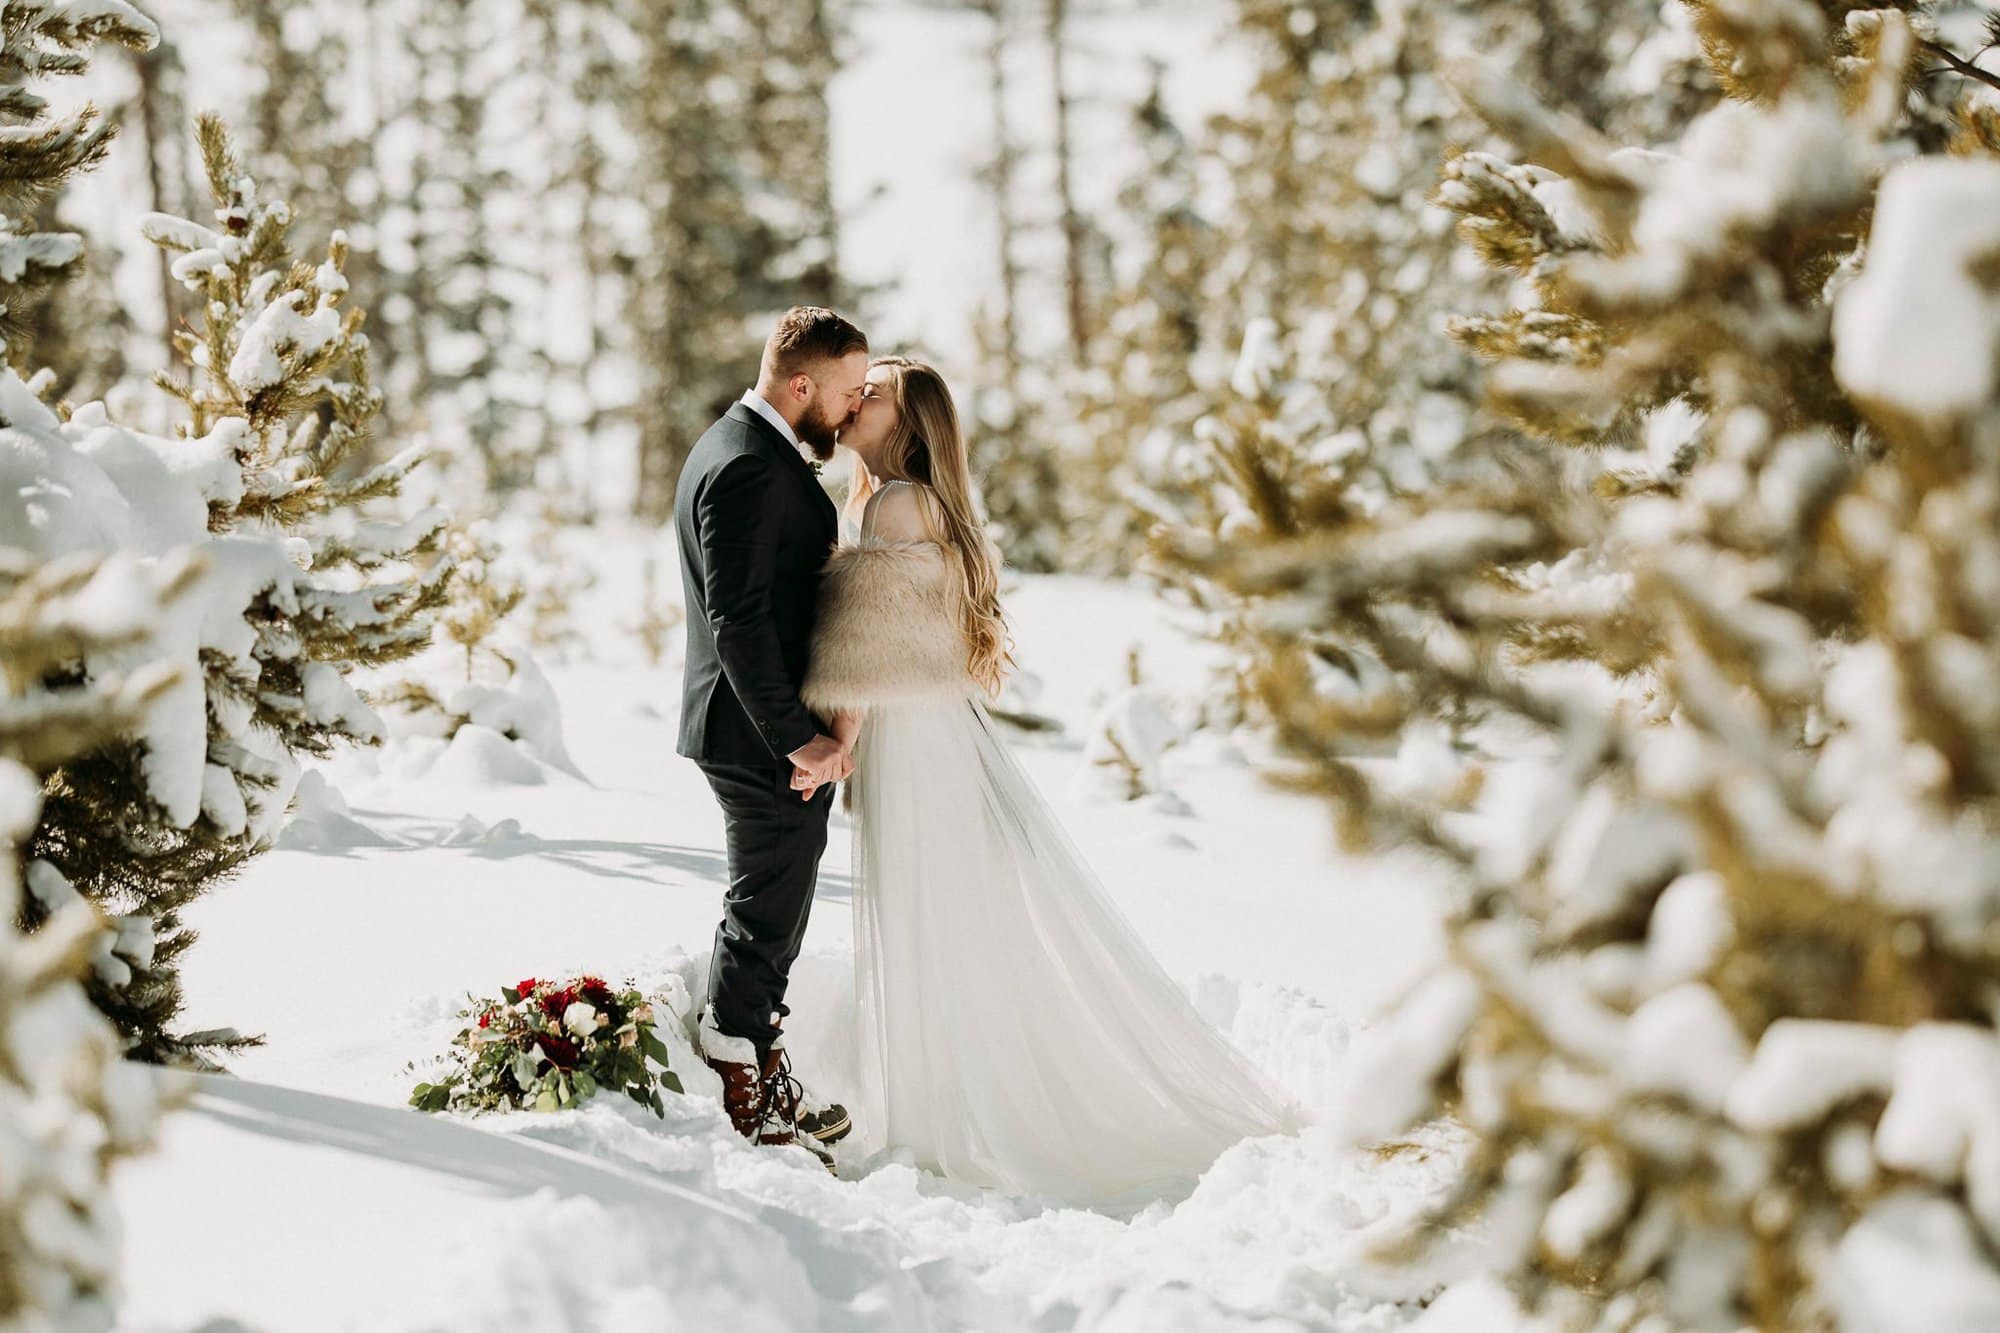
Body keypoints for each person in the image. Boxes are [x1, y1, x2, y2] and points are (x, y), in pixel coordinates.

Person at [796, 355, 1303, 1201]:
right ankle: (943, 1112)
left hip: (912, 737)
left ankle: (942, 1127)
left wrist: (837, 736)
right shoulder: (899, 500)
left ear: (910, 424)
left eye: (874, 394)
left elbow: (871, 641)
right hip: (929, 729)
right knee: (940, 918)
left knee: (924, 917)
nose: (856, 401)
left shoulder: (895, 503)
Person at [673, 305, 868, 1170]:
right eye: (848, 391)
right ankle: (739, 1087)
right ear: (801, 385)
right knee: (766, 907)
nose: (854, 407)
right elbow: (738, 618)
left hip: (757, 726)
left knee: (777, 899)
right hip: (753, 732)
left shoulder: (746, 446)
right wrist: (798, 739)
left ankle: (756, 1055)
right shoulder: (748, 463)